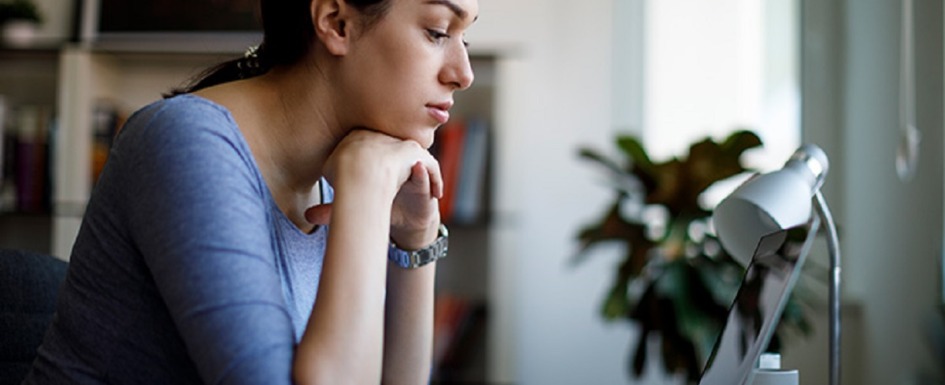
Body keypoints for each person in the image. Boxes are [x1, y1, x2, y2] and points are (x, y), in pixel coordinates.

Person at [23, 0, 476, 383]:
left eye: (466, 39)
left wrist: (416, 237)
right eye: (438, 32)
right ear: (337, 23)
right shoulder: (187, 142)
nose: (464, 73)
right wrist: (365, 189)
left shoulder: (333, 174)